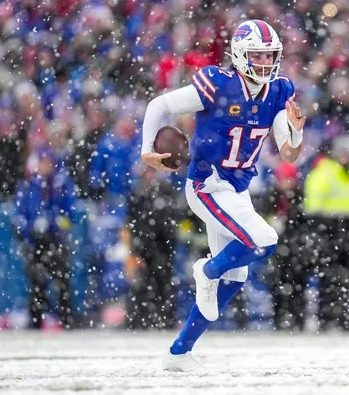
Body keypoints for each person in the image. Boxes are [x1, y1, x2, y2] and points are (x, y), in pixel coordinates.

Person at [140, 20, 305, 371]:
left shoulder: (278, 91)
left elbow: (289, 154)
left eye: (270, 55)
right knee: (264, 240)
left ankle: (178, 353)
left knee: (236, 277)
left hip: (238, 188)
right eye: (258, 55)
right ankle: (207, 271)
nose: (266, 62)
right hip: (207, 184)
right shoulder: (218, 83)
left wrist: (297, 132)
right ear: (242, 55)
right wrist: (145, 150)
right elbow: (159, 106)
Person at [302, 137, 349, 332]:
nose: (345, 155)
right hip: (331, 228)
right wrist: (320, 228)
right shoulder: (324, 171)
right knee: (329, 277)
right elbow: (313, 204)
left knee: (348, 278)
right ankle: (327, 318)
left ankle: (344, 317)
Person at [14, 149, 77, 330]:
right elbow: (19, 214)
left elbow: (70, 213)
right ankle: (36, 319)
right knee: (36, 283)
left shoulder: (60, 186)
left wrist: (55, 223)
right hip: (35, 243)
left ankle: (66, 319)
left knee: (62, 282)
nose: (46, 167)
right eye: (43, 163)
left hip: (55, 242)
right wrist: (30, 230)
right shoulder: (28, 186)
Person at [123, 164, 182, 330]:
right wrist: (136, 250)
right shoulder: (137, 194)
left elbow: (172, 223)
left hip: (162, 247)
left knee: (164, 283)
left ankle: (166, 320)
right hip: (144, 248)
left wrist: (167, 244)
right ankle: (140, 320)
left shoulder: (166, 193)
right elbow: (132, 224)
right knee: (141, 284)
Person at [261, 162, 309, 331]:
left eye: (290, 179)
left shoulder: (302, 197)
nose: (287, 184)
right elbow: (261, 218)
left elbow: (306, 222)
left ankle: (298, 318)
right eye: (284, 179)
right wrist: (271, 223)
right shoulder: (270, 198)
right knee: (277, 283)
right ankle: (279, 317)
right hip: (276, 247)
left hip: (297, 247)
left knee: (298, 282)